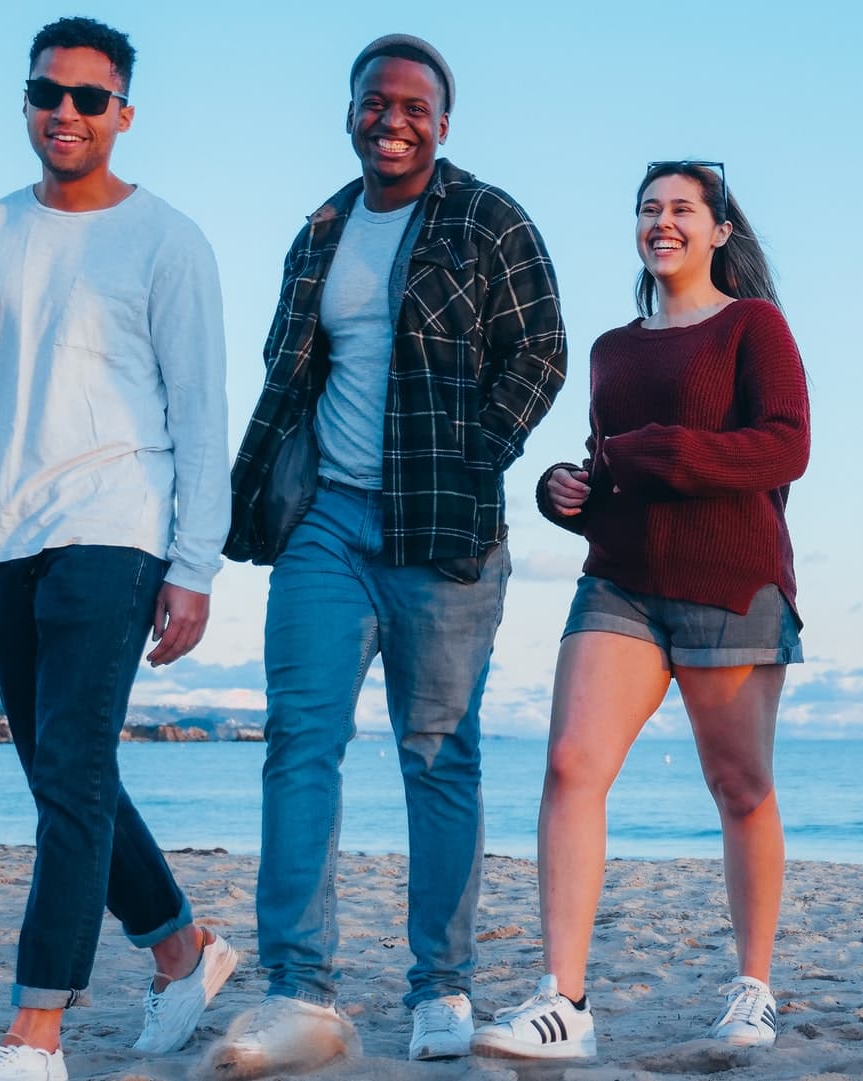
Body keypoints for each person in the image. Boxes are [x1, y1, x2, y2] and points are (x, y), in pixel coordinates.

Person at [0, 16, 233, 1080]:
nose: (64, 112)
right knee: (60, 776)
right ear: (27, 102)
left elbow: (202, 412)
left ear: (123, 113)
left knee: (71, 773)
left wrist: (194, 565)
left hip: (116, 532)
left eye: (88, 97)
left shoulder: (169, 240)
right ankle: (183, 948)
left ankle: (38, 1029)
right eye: (48, 92)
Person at [212, 34, 567, 1076]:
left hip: (442, 528)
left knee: (438, 754)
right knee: (299, 742)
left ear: (442, 123)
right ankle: (297, 987)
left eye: (414, 103)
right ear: (354, 113)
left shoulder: (489, 217)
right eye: (376, 100)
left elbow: (541, 348)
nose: (392, 117)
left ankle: (441, 985)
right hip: (326, 520)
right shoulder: (322, 227)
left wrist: (474, 454)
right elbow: (289, 372)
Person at [471, 160, 808, 1061]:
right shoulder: (614, 347)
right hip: (620, 575)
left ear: (719, 230)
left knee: (739, 788)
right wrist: (562, 488)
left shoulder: (752, 326)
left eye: (683, 209)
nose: (664, 222)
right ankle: (565, 1000)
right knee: (571, 761)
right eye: (650, 209)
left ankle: (753, 989)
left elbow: (785, 447)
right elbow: (607, 462)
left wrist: (653, 451)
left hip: (730, 577)